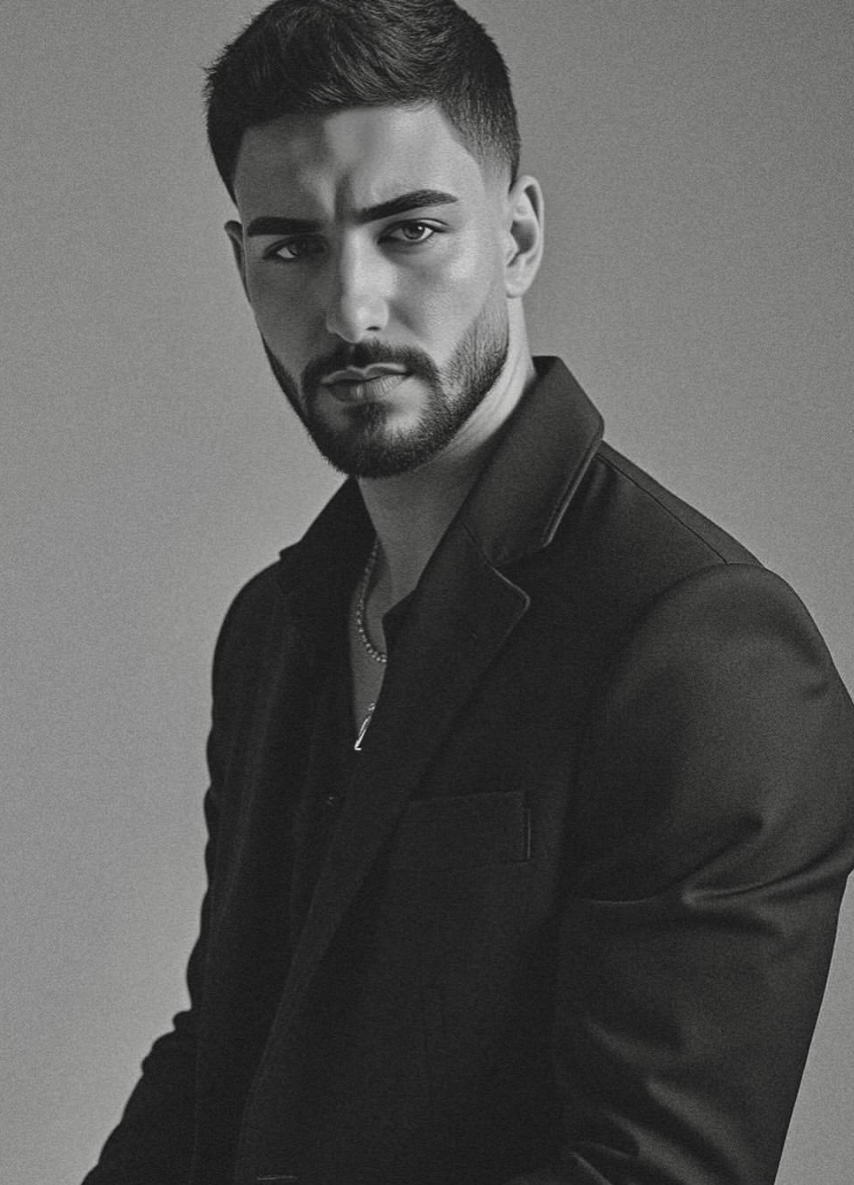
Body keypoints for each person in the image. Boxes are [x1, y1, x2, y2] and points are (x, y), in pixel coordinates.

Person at [82, 2, 854, 1183]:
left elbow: (649, 1172)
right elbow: (223, 1056)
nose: (350, 308)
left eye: (408, 231)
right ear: (240, 266)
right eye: (290, 248)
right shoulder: (274, 629)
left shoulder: (702, 647)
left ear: (518, 236)